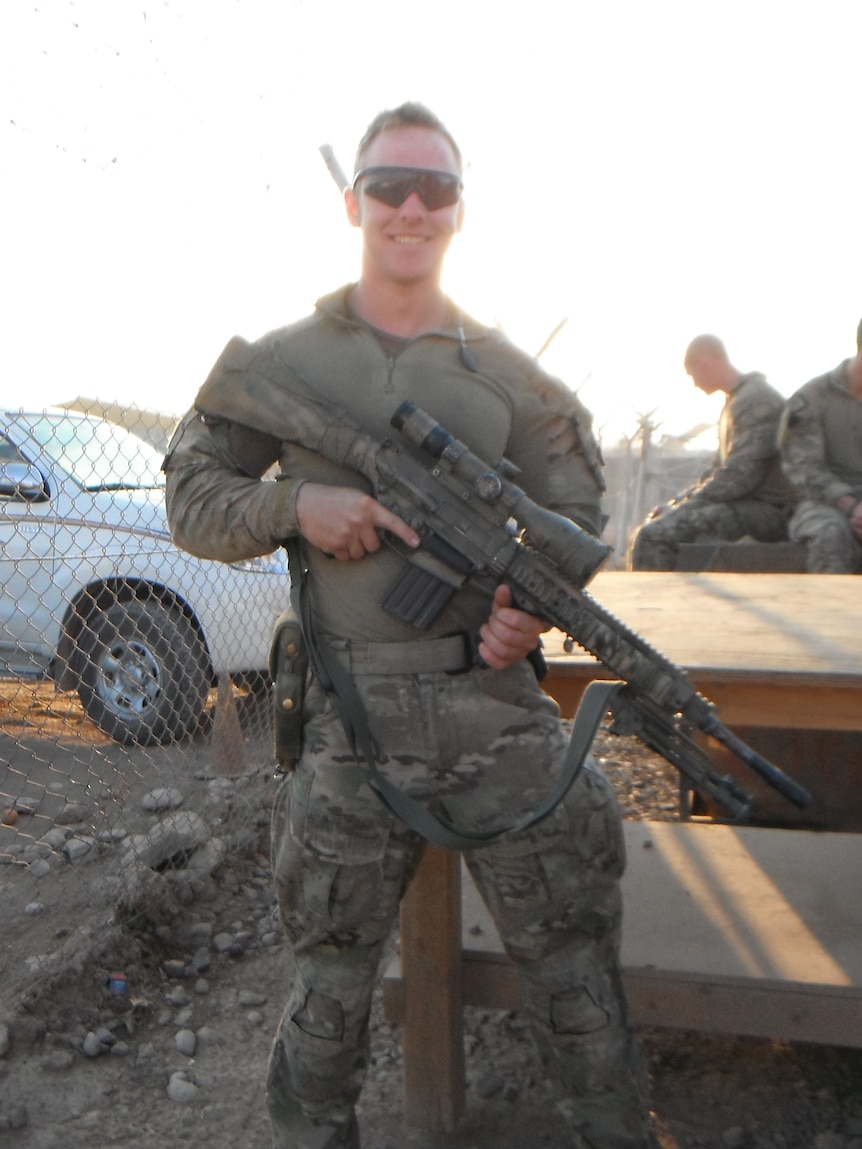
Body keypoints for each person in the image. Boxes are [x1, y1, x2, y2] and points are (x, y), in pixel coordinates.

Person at [163, 102, 658, 1149]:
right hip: (348, 719)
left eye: (435, 190)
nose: (412, 207)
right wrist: (294, 508)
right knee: (329, 993)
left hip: (494, 707)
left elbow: (570, 527)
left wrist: (521, 615)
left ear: (460, 212)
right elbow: (193, 499)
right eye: (391, 185)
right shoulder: (283, 362)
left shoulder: (511, 375)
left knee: (573, 965)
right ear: (354, 201)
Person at [628, 334, 796, 570]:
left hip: (771, 510)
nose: (694, 383)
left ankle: (652, 606)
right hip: (748, 505)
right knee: (659, 525)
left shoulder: (756, 399)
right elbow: (716, 471)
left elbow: (739, 476)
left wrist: (684, 508)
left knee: (654, 536)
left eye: (692, 374)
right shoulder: (735, 402)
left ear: (704, 364)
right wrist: (678, 503)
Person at [779, 318, 862, 573]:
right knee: (831, 534)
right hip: (822, 503)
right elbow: (806, 471)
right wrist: (852, 505)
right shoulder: (812, 398)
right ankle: (833, 612)